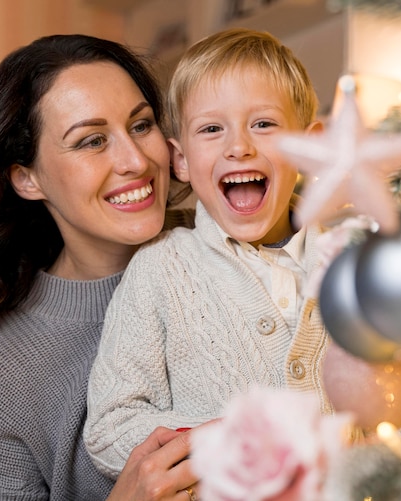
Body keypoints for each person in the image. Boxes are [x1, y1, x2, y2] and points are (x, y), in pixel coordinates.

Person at [84, 27, 333, 478]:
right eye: (212, 129)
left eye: (263, 123)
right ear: (180, 159)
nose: (239, 147)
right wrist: (227, 444)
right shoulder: (162, 268)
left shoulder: (353, 257)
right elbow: (109, 427)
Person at [0, 34, 198, 500]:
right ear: (27, 178)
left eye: (141, 125)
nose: (136, 161)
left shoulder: (245, 249)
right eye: (92, 141)